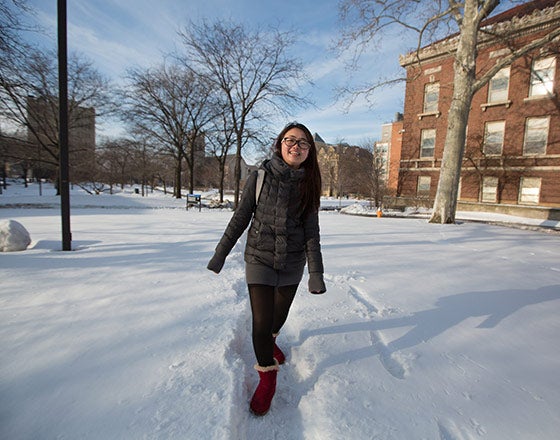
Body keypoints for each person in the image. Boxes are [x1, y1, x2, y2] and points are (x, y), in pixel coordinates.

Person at [207, 121, 326, 416]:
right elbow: (240, 218)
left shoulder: (309, 184)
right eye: (290, 140)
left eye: (303, 143)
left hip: (292, 261)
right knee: (260, 323)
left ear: (309, 151)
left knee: (277, 320)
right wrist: (220, 254)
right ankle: (267, 377)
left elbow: (312, 231)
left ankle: (273, 341)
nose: (296, 147)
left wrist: (316, 272)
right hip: (259, 258)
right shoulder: (260, 176)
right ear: (279, 144)